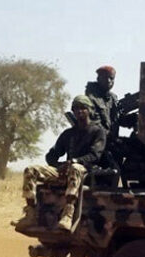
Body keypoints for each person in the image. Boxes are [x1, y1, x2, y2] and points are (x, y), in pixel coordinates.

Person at [12, 95, 105, 231]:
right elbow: (51, 155)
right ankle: (30, 213)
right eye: (76, 108)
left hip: (86, 171)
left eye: (83, 108)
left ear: (89, 110)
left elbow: (95, 155)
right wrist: (59, 166)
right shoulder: (68, 134)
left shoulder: (97, 132)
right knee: (30, 170)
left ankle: (68, 214)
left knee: (75, 168)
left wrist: (75, 161)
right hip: (66, 170)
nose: (80, 111)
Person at [85, 65, 119, 139]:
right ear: (98, 79)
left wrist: (133, 119)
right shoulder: (91, 98)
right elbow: (94, 122)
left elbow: (117, 120)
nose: (109, 81)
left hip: (110, 139)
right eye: (105, 78)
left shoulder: (112, 98)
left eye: (111, 78)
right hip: (98, 140)